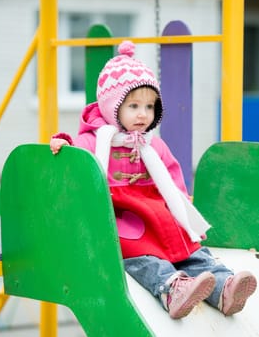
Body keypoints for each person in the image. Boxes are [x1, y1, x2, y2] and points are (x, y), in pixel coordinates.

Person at [50, 40, 257, 319]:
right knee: (143, 259)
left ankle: (224, 287)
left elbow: (173, 180)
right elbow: (76, 161)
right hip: (121, 219)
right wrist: (62, 144)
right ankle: (172, 289)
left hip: (157, 215)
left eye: (149, 106)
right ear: (112, 107)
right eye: (133, 105)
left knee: (190, 250)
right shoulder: (94, 140)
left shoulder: (152, 145)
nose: (143, 114)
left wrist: (185, 217)